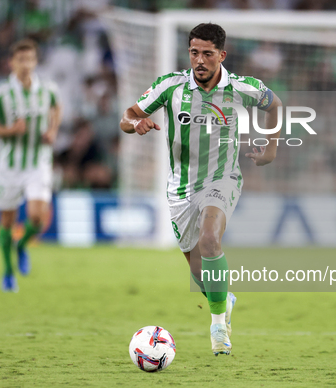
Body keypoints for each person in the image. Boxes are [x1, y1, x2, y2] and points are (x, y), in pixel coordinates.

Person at [119, 23, 282, 355]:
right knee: (199, 271)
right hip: (180, 187)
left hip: (222, 179)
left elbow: (275, 104)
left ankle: (218, 326)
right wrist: (136, 124)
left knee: (210, 239)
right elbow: (128, 116)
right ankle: (223, 299)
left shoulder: (241, 87)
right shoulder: (170, 86)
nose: (200, 60)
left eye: (208, 53)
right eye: (195, 52)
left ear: (222, 55)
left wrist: (271, 149)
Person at [0, 39, 62, 292]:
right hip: (9, 165)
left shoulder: (47, 89)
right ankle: (7, 271)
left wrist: (52, 131)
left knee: (37, 218)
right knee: (6, 222)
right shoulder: (1, 94)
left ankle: (21, 245)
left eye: (30, 59)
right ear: (12, 62)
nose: (26, 64)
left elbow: (57, 108)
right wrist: (9, 130)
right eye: (21, 60)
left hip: (38, 162)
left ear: (36, 61)